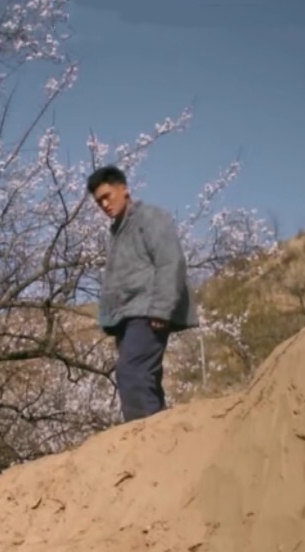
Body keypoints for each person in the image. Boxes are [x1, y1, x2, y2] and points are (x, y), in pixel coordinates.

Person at [87, 166, 198, 422]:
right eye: (98, 201)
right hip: (128, 316)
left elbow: (171, 261)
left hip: (148, 311)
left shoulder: (149, 217)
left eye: (107, 196)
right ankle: (156, 436)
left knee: (132, 372)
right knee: (145, 376)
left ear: (123, 188)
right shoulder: (117, 231)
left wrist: (161, 308)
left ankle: (144, 440)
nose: (104, 204)